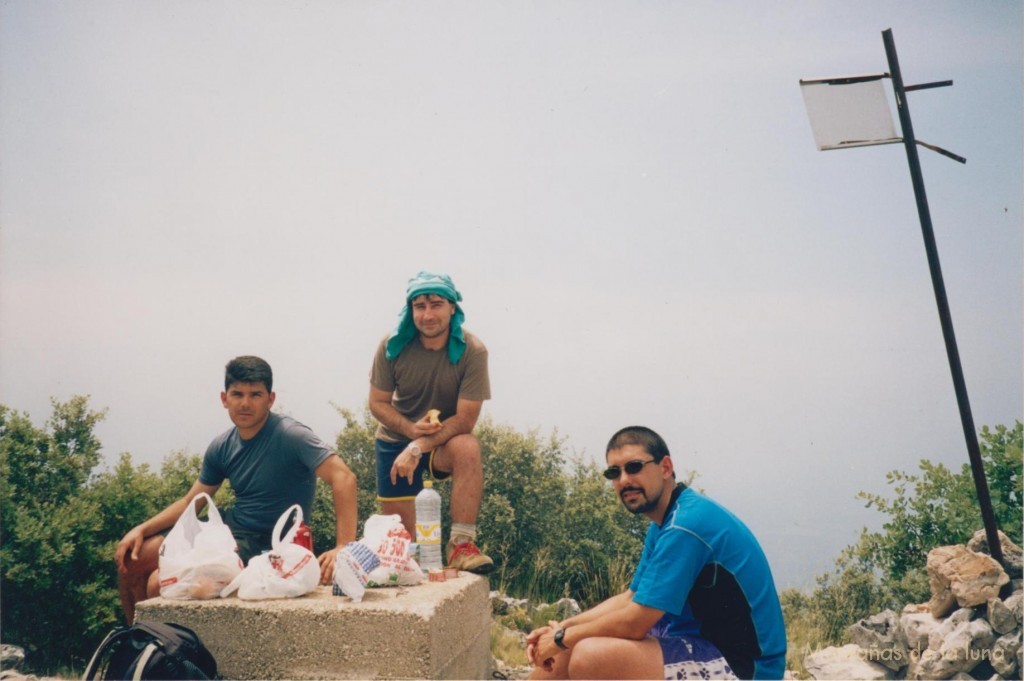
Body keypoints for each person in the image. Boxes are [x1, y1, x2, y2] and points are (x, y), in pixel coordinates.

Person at [526, 426, 787, 680]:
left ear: (665, 468)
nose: (624, 480)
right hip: (697, 643)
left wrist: (562, 639)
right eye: (614, 473)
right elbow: (630, 598)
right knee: (570, 646)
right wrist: (563, 630)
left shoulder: (685, 525)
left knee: (589, 656)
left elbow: (636, 622)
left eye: (635, 467)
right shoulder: (664, 522)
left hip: (745, 669)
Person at [114, 356, 357, 622]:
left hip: (268, 545)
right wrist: (141, 529)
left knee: (157, 583)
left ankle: (167, 651)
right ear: (224, 398)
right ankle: (138, 644)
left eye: (255, 395)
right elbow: (190, 503)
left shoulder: (291, 435)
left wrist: (343, 545)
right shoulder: (222, 445)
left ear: (270, 399)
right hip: (231, 533)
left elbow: (343, 477)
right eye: (237, 394)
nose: (245, 403)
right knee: (132, 559)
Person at [368, 270, 494, 574]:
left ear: (453, 307)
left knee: (467, 446)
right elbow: (377, 404)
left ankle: (462, 545)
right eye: (419, 306)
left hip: (443, 438)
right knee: (406, 554)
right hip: (396, 438)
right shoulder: (392, 345)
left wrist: (419, 445)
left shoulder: (472, 351)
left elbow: (465, 419)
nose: (427, 315)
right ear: (410, 310)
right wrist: (411, 432)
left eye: (436, 305)